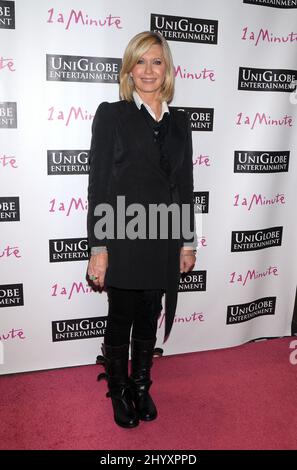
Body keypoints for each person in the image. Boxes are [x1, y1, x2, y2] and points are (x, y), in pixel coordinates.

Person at [87, 31, 197, 428]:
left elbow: (185, 186)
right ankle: (117, 389)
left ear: (166, 68)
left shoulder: (180, 123)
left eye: (157, 61)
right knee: (121, 315)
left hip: (165, 236)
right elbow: (99, 184)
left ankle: (140, 385)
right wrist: (98, 246)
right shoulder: (112, 115)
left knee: (150, 313)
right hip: (123, 232)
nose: (148, 70)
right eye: (140, 62)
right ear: (129, 69)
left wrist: (188, 241)